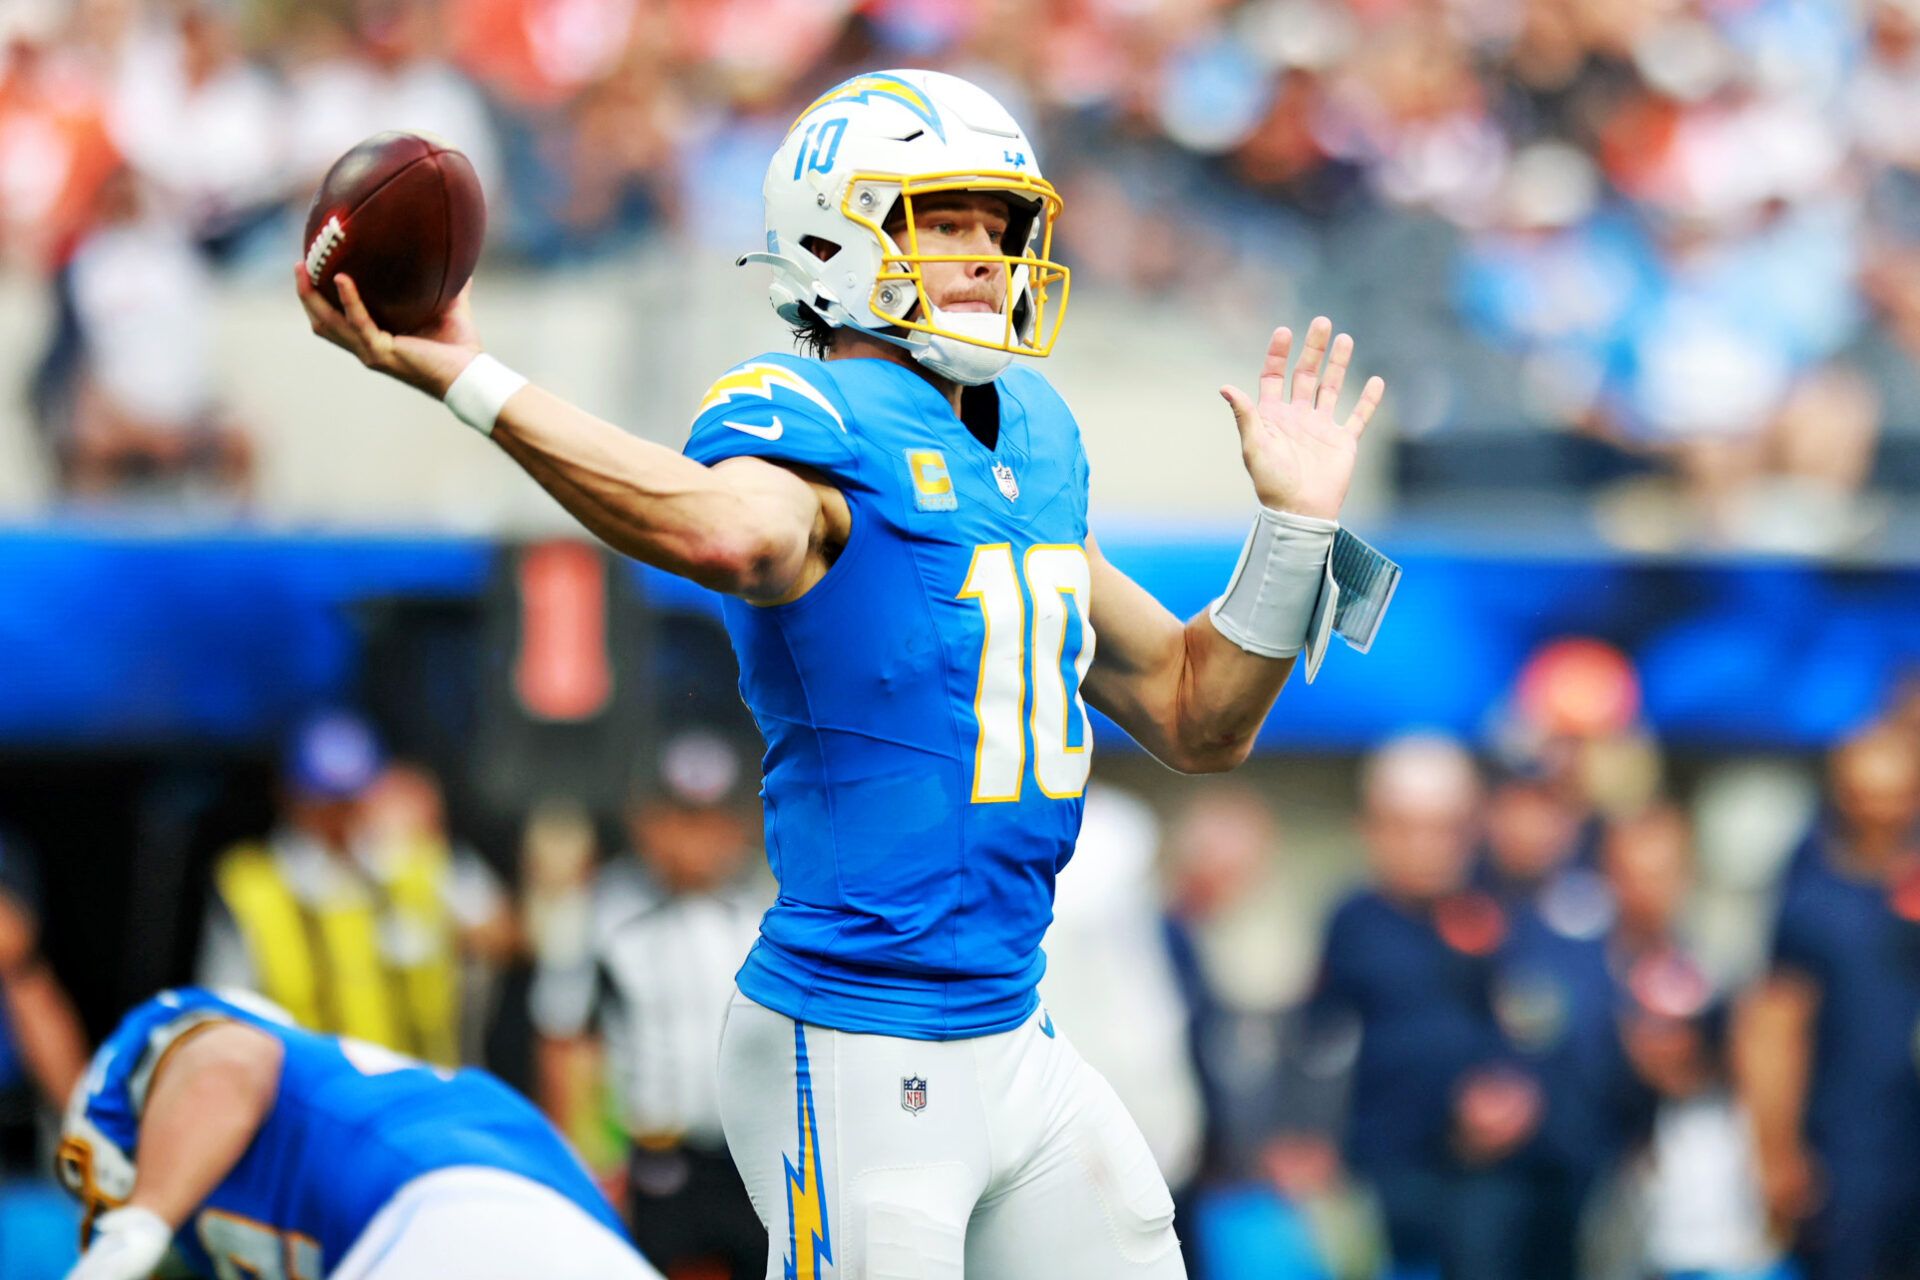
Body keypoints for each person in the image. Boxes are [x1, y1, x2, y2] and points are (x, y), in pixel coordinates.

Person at [299, 67, 1388, 1278]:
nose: (983, 252)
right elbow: (727, 531)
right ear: (833, 230)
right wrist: (472, 376)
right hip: (856, 1035)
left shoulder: (1030, 433)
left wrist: (1291, 531)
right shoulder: (805, 411)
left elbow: (1199, 714)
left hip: (1011, 1023)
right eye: (945, 219)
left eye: (998, 223)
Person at [54, 987, 660, 1280]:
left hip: (439, 1214)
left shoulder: (212, 1054)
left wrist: (137, 1225)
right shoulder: (400, 1100)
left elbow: (229, 1060)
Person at [533, 729, 770, 1279]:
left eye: (710, 821)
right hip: (656, 1156)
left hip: (755, 1154)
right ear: (646, 823)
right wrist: (583, 1165)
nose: (695, 841)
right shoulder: (599, 912)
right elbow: (564, 1039)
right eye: (679, 820)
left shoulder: (772, 907)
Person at [1736, 723, 1920, 1280]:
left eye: (1898, 795)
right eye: (1867, 795)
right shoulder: (1811, 899)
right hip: (1848, 1152)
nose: (1883, 811)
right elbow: (1772, 1025)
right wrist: (1776, 1150)